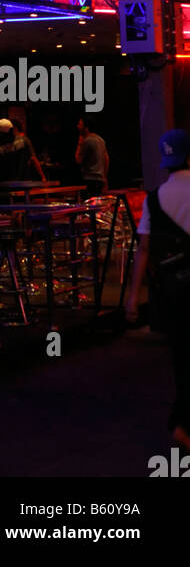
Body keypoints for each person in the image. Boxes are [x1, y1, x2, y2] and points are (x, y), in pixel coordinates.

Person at [126, 129, 190, 452]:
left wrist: (133, 296)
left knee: (181, 355)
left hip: (173, 291)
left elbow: (144, 249)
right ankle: (183, 422)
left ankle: (182, 422)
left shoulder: (153, 198)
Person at [0, 118, 46, 199]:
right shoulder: (24, 141)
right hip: (25, 185)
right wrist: (43, 177)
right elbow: (33, 159)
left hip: (7, 187)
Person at [75, 118, 109, 198]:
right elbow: (107, 159)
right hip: (99, 179)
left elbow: (78, 160)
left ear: (86, 127)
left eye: (80, 124)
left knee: (88, 205)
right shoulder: (101, 140)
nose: (77, 126)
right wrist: (104, 177)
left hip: (89, 180)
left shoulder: (87, 141)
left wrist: (79, 143)